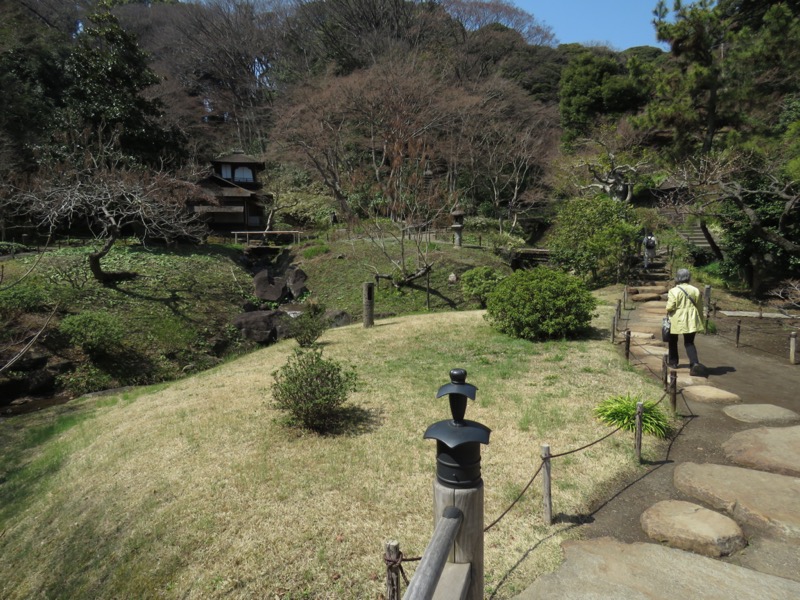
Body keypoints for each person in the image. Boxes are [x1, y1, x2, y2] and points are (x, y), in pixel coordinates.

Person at [665, 268, 705, 374]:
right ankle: (694, 363)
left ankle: (673, 362)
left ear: (677, 278)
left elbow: (670, 307)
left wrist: (668, 308)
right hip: (692, 318)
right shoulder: (695, 290)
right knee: (689, 342)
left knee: (673, 341)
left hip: (676, 319)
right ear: (688, 277)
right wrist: (701, 320)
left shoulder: (673, 291)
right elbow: (700, 307)